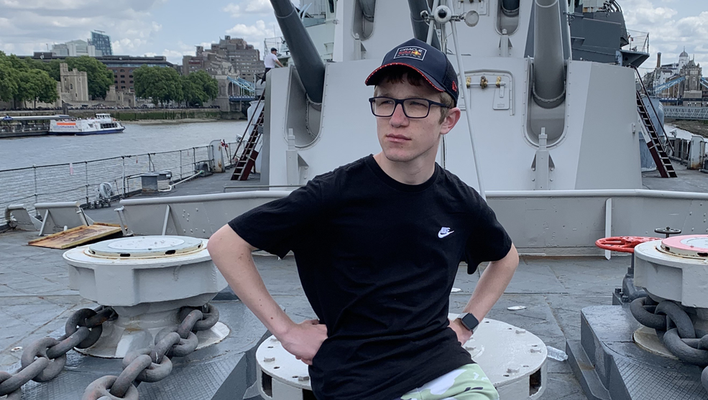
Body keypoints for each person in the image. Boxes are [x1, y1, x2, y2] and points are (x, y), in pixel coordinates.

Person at [207, 38, 519, 400]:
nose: (396, 119)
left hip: (442, 363)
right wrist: (288, 332)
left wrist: (466, 322)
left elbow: (506, 257)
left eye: (416, 104)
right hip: (355, 377)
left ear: (447, 120)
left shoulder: (459, 200)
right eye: (386, 101)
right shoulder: (334, 193)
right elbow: (226, 245)